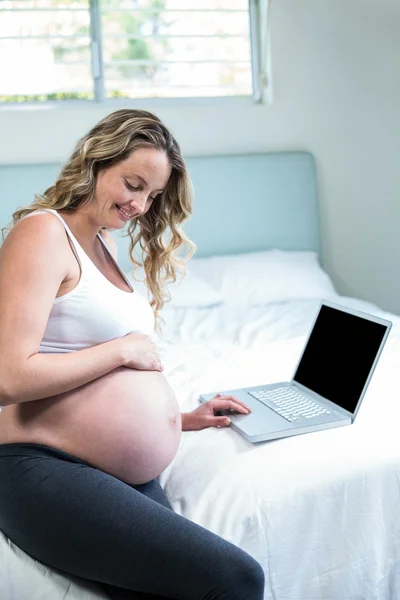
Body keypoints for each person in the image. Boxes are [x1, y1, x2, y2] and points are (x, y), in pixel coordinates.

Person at [0, 109, 265, 600]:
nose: (140, 204)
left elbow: (81, 368)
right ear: (96, 161)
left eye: (153, 194)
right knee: (237, 579)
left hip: (99, 468)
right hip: (37, 466)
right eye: (133, 183)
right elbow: (9, 378)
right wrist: (121, 351)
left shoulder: (105, 245)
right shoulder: (42, 233)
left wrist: (180, 419)